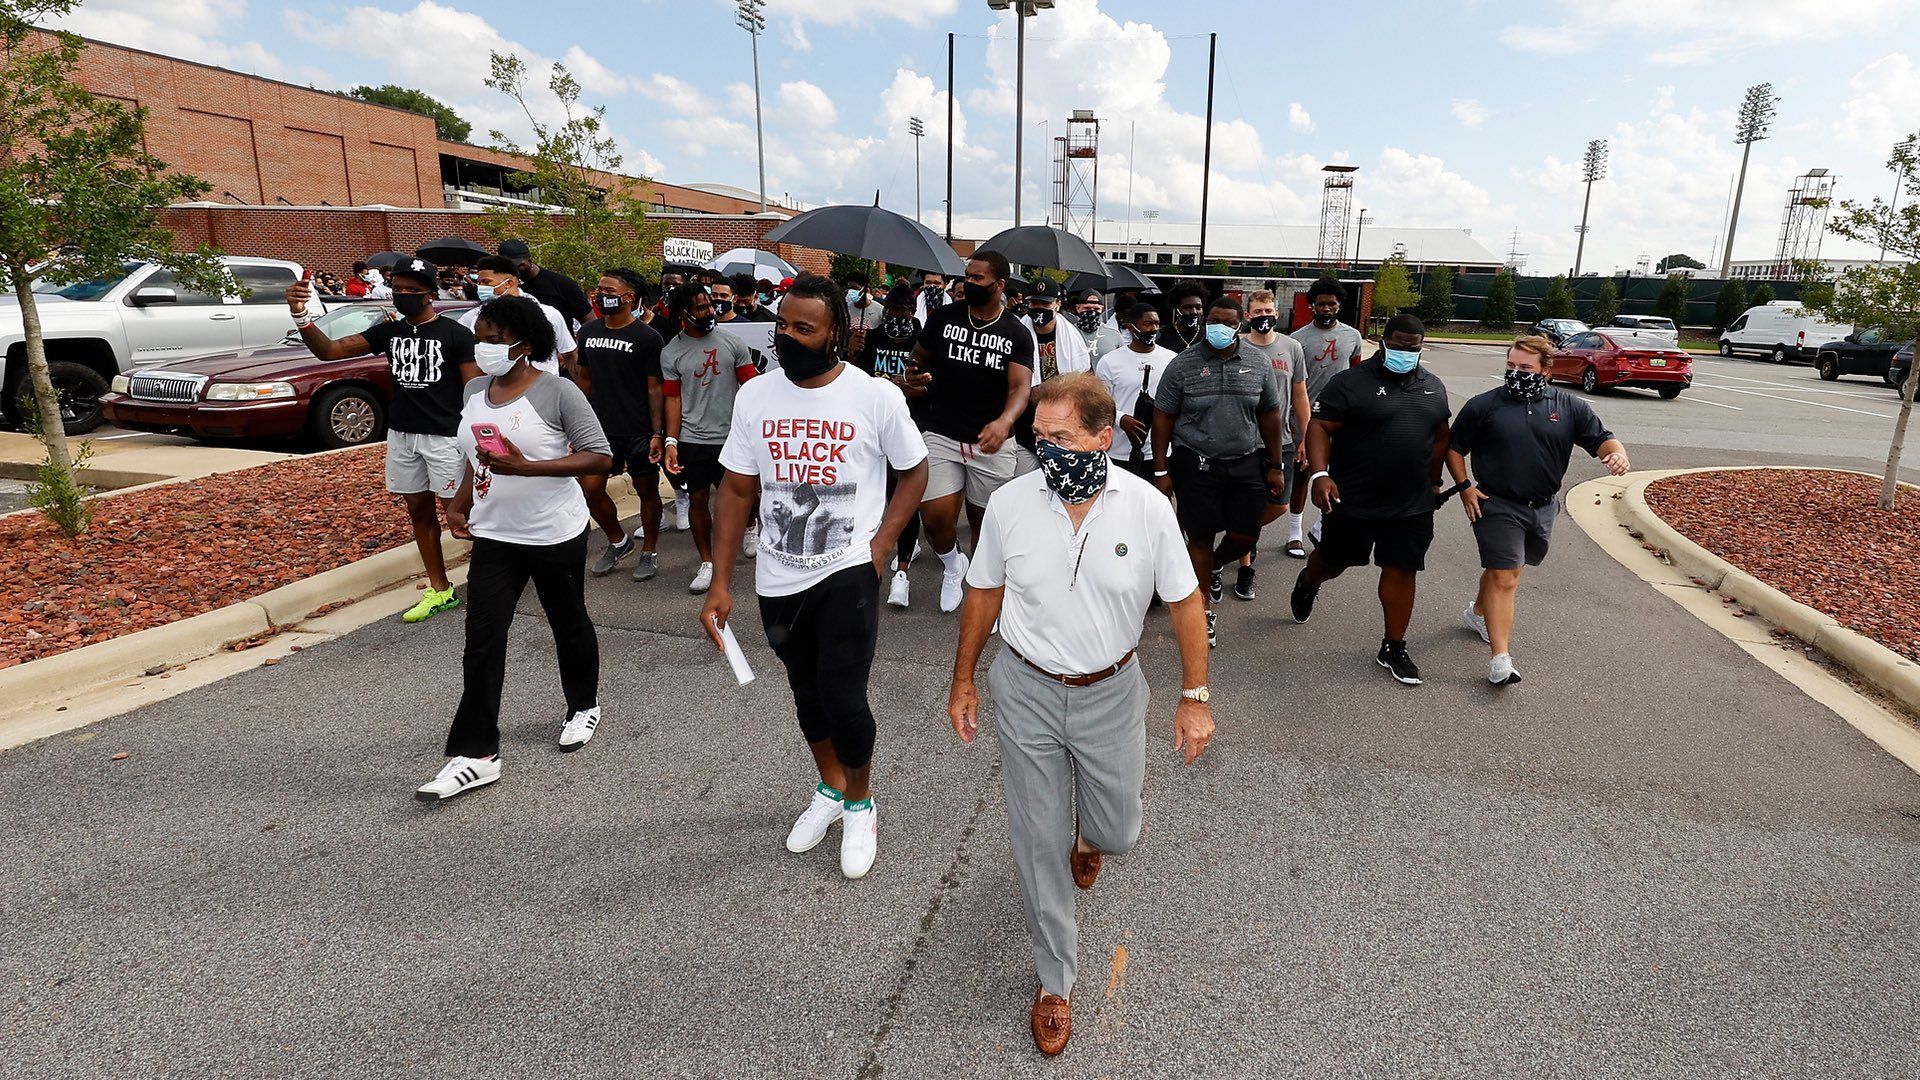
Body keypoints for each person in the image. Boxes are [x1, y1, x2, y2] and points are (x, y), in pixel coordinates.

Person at [948, 372, 1213, 1057]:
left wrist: (1193, 697)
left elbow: (1185, 602)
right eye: (1040, 439)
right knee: (1038, 846)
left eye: (1062, 438)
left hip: (1112, 690)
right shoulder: (1009, 505)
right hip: (1027, 687)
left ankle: (1090, 838)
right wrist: (964, 680)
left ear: (1104, 436)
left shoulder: (1148, 507)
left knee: (1117, 831)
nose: (1049, 452)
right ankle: (1053, 980)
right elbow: (982, 592)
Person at [701, 274, 929, 880]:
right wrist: (721, 580)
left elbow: (915, 471)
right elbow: (736, 488)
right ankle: (829, 789)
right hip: (778, 575)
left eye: (805, 328)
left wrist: (882, 544)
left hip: (847, 569)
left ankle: (861, 802)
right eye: (783, 326)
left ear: (838, 334)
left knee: (843, 697)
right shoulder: (756, 397)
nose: (789, 337)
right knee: (806, 695)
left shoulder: (875, 396)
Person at [417, 296, 614, 801]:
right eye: (478, 337)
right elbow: (474, 457)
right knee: (482, 640)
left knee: (568, 623)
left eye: (491, 338)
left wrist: (529, 468)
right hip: (495, 536)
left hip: (553, 532)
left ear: (523, 345)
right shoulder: (475, 390)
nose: (480, 346)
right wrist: (459, 503)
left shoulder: (558, 392)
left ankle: (583, 705)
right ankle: (476, 754)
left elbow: (599, 459)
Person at [285, 258, 474, 623]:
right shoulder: (388, 332)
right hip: (403, 435)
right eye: (398, 288)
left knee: (463, 515)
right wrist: (300, 316)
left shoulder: (455, 335)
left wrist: (475, 435)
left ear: (430, 294)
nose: (403, 295)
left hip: (445, 436)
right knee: (418, 510)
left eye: (412, 290)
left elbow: (474, 389)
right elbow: (330, 351)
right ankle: (439, 588)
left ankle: (496, 577)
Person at [1447, 336, 1630, 685]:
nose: (1516, 373)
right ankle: (1500, 660)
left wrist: (1616, 453)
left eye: (1526, 368)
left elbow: (1601, 438)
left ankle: (1478, 613)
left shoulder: (1569, 406)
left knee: (1505, 569)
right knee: (1506, 576)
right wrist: (1464, 487)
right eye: (1511, 366)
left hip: (1543, 507)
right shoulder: (1483, 406)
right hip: (1496, 504)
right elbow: (1454, 449)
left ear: (1546, 371)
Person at [1292, 313, 1452, 685]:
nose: (1404, 352)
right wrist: (1320, 474)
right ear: (1382, 341)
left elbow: (1441, 433)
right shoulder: (1350, 383)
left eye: (1411, 348)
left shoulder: (1433, 386)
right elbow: (1320, 426)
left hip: (1410, 503)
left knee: (1401, 569)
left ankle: (1393, 646)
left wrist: (1434, 480)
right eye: (1397, 345)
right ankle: (1309, 582)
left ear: (1421, 347)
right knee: (1334, 560)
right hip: (1354, 498)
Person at [1150, 294, 1285, 647]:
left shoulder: (1257, 363)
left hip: (1245, 461)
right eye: (1214, 321)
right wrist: (1161, 468)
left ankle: (1211, 567)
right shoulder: (1182, 365)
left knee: (1246, 535)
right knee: (1201, 537)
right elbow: (1163, 417)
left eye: (1227, 322)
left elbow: (1269, 415)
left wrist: (1276, 465)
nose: (1219, 328)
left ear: (1239, 325)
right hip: (1196, 463)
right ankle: (1201, 612)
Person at [907, 252, 1035, 613]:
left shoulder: (1016, 332)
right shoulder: (944, 318)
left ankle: (987, 591)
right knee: (934, 517)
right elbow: (918, 358)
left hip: (990, 441)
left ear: (999, 284)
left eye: (977, 278)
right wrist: (915, 374)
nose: (967, 284)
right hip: (942, 433)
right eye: (966, 277)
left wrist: (1005, 421)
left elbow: (1021, 388)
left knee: (986, 527)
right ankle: (952, 565)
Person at [661, 283, 758, 593]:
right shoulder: (671, 352)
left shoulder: (732, 343)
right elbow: (672, 400)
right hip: (693, 439)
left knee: (744, 496)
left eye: (709, 305)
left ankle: (751, 526)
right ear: (684, 314)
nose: (709, 311)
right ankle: (707, 561)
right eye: (701, 308)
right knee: (698, 499)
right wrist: (671, 442)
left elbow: (752, 387)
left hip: (733, 437)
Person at [576, 268, 668, 582]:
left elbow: (655, 387)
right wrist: (576, 421)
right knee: (590, 489)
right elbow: (584, 379)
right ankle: (619, 541)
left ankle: (649, 551)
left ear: (628, 297)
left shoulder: (648, 337)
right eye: (599, 287)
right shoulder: (588, 332)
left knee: (646, 490)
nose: (600, 293)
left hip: (639, 428)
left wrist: (657, 432)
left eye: (608, 289)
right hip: (599, 428)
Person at [1230, 290, 1311, 601]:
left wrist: (1307, 436)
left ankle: (1239, 532)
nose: (1263, 315)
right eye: (1257, 310)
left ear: (1277, 314)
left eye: (1268, 310)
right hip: (1246, 441)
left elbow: (1300, 393)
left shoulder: (1291, 347)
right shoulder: (1238, 346)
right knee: (1249, 503)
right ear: (1247, 315)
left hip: (1283, 441)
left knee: (1278, 505)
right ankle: (1245, 567)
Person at [856, 282, 927, 608]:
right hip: (873, 428)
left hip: (911, 425)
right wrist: (851, 351)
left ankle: (902, 572)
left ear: (913, 313)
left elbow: (928, 384)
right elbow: (857, 379)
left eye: (903, 312)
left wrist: (910, 387)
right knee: (880, 495)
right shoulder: (871, 337)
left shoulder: (923, 339)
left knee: (903, 495)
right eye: (892, 312)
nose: (897, 318)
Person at [1286, 279, 1366, 556]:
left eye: (1331, 303)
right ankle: (1294, 532)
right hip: (1307, 417)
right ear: (1312, 306)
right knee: (1303, 473)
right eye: (1321, 303)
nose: (1326, 308)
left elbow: (1356, 374)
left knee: (1336, 474)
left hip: (1341, 416)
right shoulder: (1297, 339)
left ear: (1339, 305)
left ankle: (1321, 526)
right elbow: (1293, 385)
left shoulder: (1352, 336)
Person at [1013, 276, 1093, 474]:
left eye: (1045, 303)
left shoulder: (1072, 337)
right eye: (1034, 302)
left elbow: (1084, 381)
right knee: (1024, 485)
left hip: (1063, 426)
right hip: (1025, 428)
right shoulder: (1018, 334)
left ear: (1057, 304)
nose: (1039, 308)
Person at [1094, 302, 1174, 477]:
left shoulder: (1171, 359)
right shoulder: (1110, 362)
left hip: (1158, 453)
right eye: (1147, 324)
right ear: (1131, 328)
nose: (1153, 329)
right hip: (1118, 452)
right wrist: (1121, 419)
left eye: (1156, 323)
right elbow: (1101, 404)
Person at [461, 256, 577, 376]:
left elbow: (569, 354)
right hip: (494, 388)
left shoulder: (548, 314)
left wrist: (579, 390)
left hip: (543, 390)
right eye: (479, 283)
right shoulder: (473, 317)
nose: (480, 287)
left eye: (486, 282)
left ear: (509, 283)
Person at [499, 238, 591, 330]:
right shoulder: (506, 287)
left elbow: (589, 321)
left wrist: (579, 342)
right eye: (509, 268)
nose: (515, 270)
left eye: (519, 266)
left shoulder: (562, 284)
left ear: (529, 259)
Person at [1157, 280, 1208, 354]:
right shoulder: (1160, 336)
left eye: (1198, 307)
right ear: (1177, 309)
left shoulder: (1208, 337)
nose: (1194, 312)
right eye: (1187, 307)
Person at [1071, 289, 1123, 360]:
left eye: (1096, 309)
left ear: (1102, 309)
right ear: (1078, 308)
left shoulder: (1114, 334)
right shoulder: (1069, 333)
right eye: (1087, 308)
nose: (1092, 312)